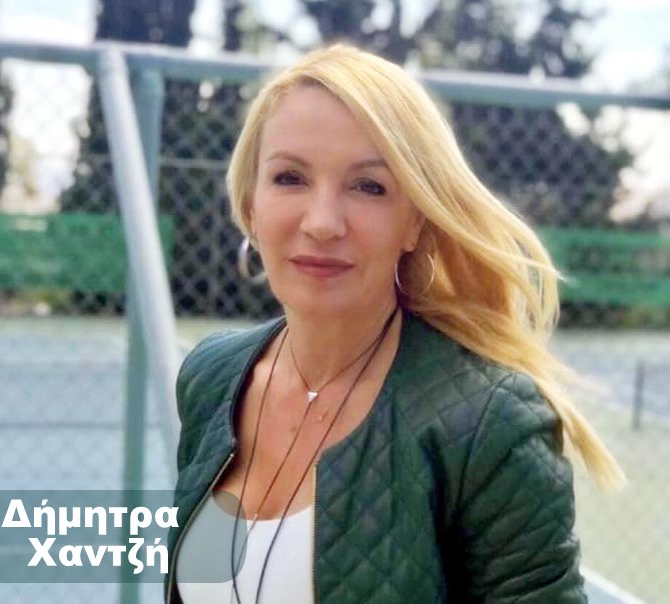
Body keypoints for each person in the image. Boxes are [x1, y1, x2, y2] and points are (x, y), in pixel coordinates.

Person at [165, 43, 625, 604]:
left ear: (415, 222)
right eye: (290, 177)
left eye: (369, 186)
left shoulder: (490, 423)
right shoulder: (210, 377)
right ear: (249, 207)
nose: (323, 222)